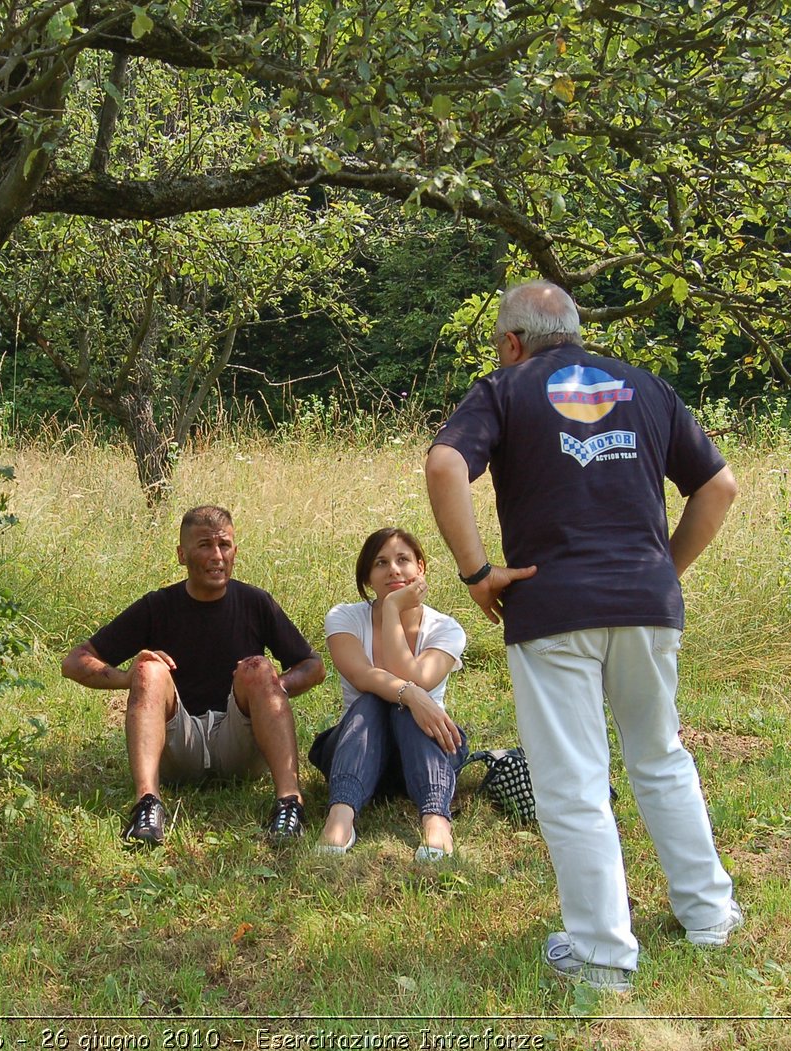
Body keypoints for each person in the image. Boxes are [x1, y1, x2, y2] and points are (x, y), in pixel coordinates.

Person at [424, 279, 742, 992]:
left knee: (572, 780)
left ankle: (601, 957)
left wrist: (477, 573)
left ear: (512, 342)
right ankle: (711, 919)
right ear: (573, 329)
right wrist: (662, 567)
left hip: (552, 603)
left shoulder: (504, 388)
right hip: (646, 601)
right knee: (660, 756)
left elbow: (445, 463)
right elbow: (718, 487)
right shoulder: (647, 386)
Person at [61, 505, 326, 847]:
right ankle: (147, 804)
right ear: (182, 555)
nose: (217, 556)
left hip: (240, 743)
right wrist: (129, 677)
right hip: (178, 745)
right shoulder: (157, 607)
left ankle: (290, 804)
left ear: (235, 551)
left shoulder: (255, 602)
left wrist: (273, 687)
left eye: (224, 545)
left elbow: (313, 666)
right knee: (149, 669)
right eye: (204, 545)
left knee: (259, 667)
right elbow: (75, 661)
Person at [310, 527, 469, 861]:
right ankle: (340, 818)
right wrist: (410, 694)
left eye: (403, 560)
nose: (394, 569)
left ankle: (436, 820)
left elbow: (414, 676)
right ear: (368, 577)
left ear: (420, 568)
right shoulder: (344, 617)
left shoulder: (446, 629)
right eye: (381, 563)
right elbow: (362, 674)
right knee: (375, 699)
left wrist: (393, 609)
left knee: (404, 708)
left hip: (424, 751)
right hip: (358, 752)